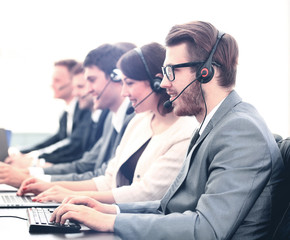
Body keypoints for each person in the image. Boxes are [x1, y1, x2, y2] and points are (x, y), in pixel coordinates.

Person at [49, 21, 285, 240]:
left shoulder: (240, 130)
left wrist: (111, 222)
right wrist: (110, 210)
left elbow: (206, 229)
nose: (163, 83)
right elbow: (170, 205)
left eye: (172, 71)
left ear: (206, 72)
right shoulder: (215, 124)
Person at [17, 42, 196, 205]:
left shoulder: (185, 132)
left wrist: (72, 197)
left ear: (157, 83)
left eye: (130, 83)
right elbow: (108, 180)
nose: (124, 92)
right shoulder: (139, 122)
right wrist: (52, 187)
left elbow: (145, 194)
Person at [0, 43, 135, 188]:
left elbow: (102, 177)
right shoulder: (112, 119)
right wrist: (30, 172)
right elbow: (84, 165)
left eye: (92, 80)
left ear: (116, 76)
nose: (86, 91)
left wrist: (31, 178)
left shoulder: (131, 119)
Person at [5, 59, 94, 166]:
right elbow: (56, 140)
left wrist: (33, 158)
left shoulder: (86, 109)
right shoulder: (66, 114)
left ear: (72, 83)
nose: (52, 85)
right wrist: (23, 152)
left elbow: (73, 145)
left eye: (57, 80)